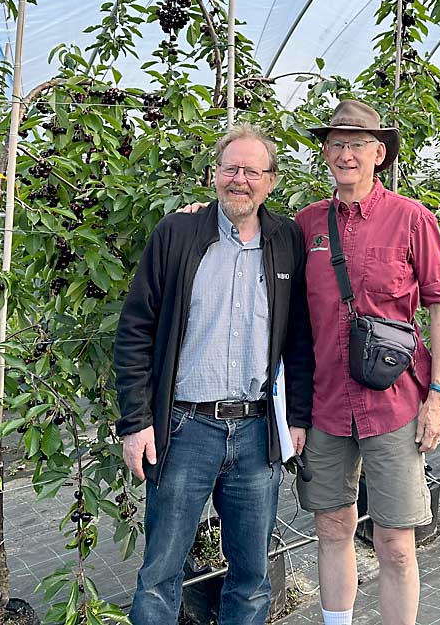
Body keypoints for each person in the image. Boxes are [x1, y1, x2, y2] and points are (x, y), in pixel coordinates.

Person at [113, 124, 314, 625]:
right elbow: (136, 330)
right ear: (214, 175)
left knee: (251, 580)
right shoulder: (178, 233)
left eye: (252, 170)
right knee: (160, 575)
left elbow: (299, 338)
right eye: (230, 168)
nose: (239, 179)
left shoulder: (287, 240)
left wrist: (299, 417)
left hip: (255, 431)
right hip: (185, 430)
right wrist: (136, 422)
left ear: (270, 181)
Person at [296, 99, 440, 625]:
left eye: (357, 144)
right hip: (325, 403)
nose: (346, 154)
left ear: (379, 153)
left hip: (394, 404)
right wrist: (199, 216)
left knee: (396, 541)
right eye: (337, 143)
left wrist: (438, 395)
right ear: (325, 152)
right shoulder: (306, 225)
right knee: (334, 528)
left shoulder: (412, 219)